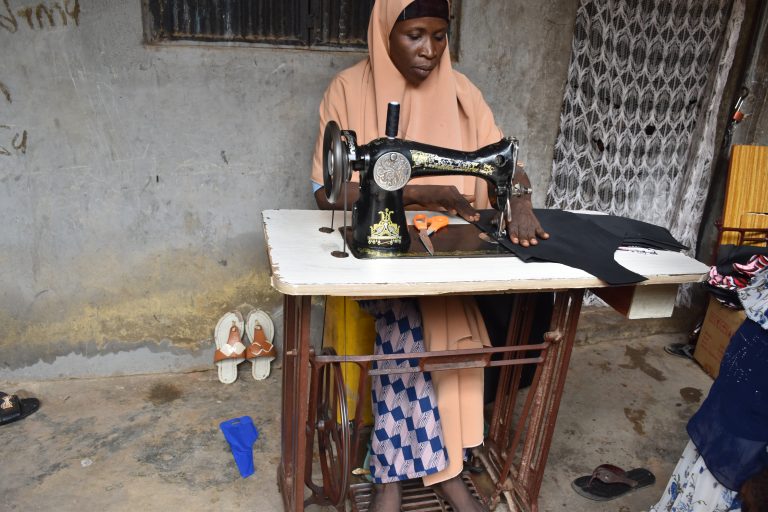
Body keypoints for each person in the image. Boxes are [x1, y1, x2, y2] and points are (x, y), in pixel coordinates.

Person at [310, 1, 548, 510]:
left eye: (440, 37)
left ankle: (396, 473)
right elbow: (327, 193)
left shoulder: (463, 93)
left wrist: (521, 199)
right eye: (416, 35)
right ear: (385, 31)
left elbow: (507, 160)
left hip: (449, 260)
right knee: (406, 314)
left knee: (517, 303)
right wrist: (413, 193)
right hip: (383, 253)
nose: (430, 50)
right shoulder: (348, 90)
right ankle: (443, 474)